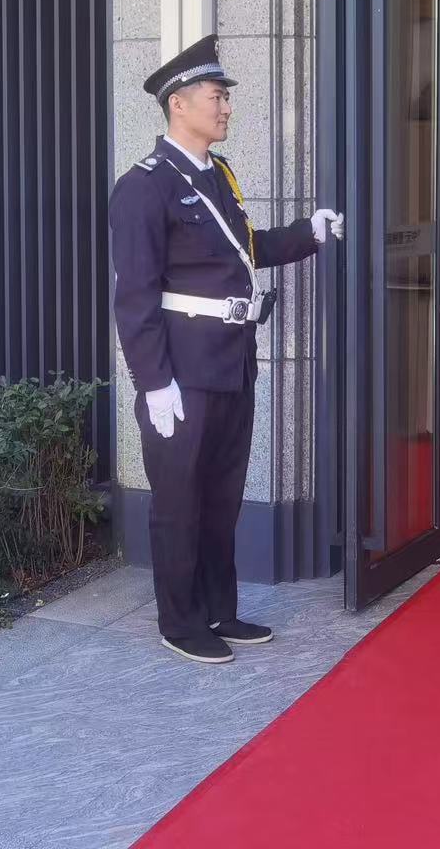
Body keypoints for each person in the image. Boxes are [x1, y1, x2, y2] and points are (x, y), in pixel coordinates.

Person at [109, 34, 344, 665]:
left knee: (220, 497)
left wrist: (307, 233)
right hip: (181, 371)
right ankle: (180, 621)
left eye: (225, 98)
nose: (226, 107)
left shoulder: (218, 177)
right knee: (179, 500)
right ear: (179, 103)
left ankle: (219, 610)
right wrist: (153, 382)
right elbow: (135, 297)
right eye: (217, 97)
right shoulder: (144, 188)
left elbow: (243, 250)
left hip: (231, 361)